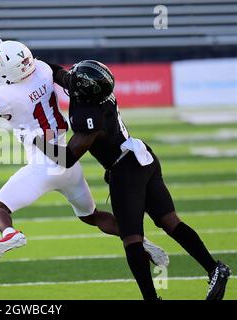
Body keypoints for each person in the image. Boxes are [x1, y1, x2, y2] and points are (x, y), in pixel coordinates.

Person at [0, 23, 168, 267]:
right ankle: (137, 240)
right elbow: (19, 60)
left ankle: (9, 233)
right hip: (67, 159)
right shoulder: (43, 70)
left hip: (42, 163)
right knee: (92, 216)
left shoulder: (7, 96)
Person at [28, 59, 232, 300]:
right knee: (170, 222)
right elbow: (56, 71)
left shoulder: (89, 114)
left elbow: (68, 158)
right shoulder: (93, 93)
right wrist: (25, 59)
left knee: (132, 239)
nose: (71, 77)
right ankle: (215, 268)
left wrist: (36, 139)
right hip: (142, 159)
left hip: (125, 171)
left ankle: (151, 298)